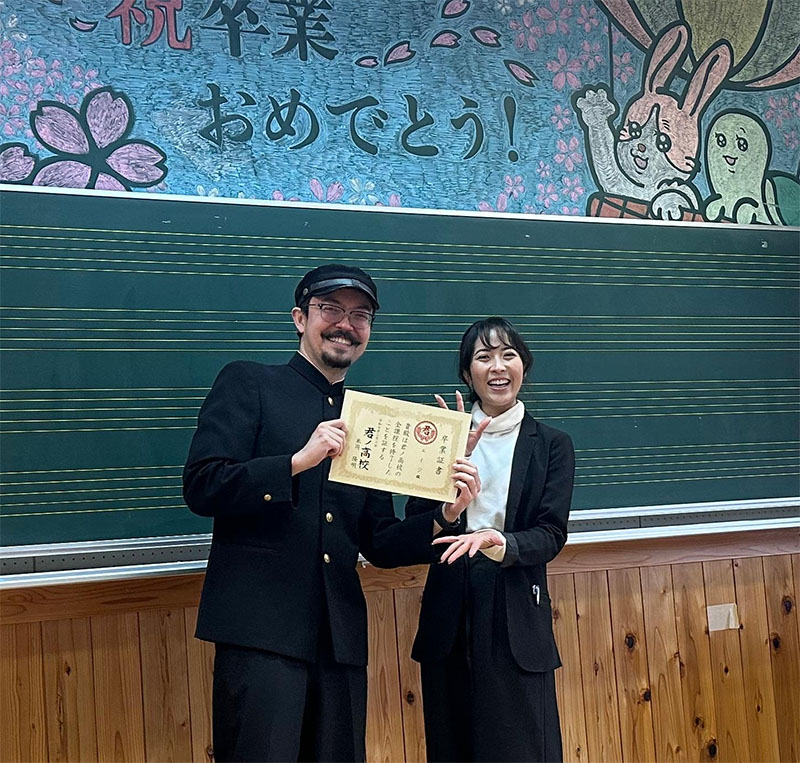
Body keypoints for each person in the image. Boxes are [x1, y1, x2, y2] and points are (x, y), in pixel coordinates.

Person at [182, 263, 480, 763]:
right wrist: (296, 463)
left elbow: (380, 541)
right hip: (260, 632)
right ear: (300, 318)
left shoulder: (374, 419)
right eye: (331, 310)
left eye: (360, 316)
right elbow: (202, 486)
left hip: (339, 640)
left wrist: (446, 513)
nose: (346, 324)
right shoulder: (248, 382)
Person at [406, 316, 575, 763]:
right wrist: (448, 494)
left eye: (508, 355)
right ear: (468, 374)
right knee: (453, 748)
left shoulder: (552, 444)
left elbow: (551, 533)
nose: (497, 366)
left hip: (515, 610)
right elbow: (414, 524)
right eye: (483, 357)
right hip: (450, 613)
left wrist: (497, 542)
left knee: (522, 748)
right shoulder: (441, 439)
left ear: (524, 366)